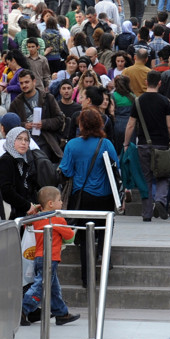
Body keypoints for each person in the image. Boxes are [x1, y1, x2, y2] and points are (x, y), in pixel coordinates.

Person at [60, 109, 118, 285]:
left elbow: (66, 170)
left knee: (86, 238)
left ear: (81, 125)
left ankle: (87, 278)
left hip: (82, 197)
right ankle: (103, 258)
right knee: (104, 232)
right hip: (105, 196)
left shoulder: (72, 145)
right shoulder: (106, 144)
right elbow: (116, 168)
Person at [20, 186, 80, 327]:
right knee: (41, 285)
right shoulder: (57, 220)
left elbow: (25, 224)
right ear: (51, 204)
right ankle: (23, 309)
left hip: (39, 256)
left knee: (53, 288)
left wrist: (34, 211)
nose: (61, 203)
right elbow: (70, 237)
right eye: (59, 200)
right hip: (51, 258)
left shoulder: (38, 218)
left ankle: (61, 313)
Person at [123, 70, 170, 221]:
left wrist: (126, 143)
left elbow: (131, 125)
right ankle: (160, 200)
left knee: (146, 178)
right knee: (163, 175)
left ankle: (146, 213)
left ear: (146, 82)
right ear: (160, 83)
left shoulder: (138, 101)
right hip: (162, 144)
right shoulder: (165, 101)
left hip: (144, 144)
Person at [8, 70, 65, 161]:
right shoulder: (16, 102)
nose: (24, 85)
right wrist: (24, 125)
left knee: (43, 163)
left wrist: (43, 123)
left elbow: (60, 120)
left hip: (45, 139)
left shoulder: (47, 98)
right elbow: (10, 124)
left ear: (34, 82)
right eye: (21, 83)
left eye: (27, 82)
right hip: (24, 140)